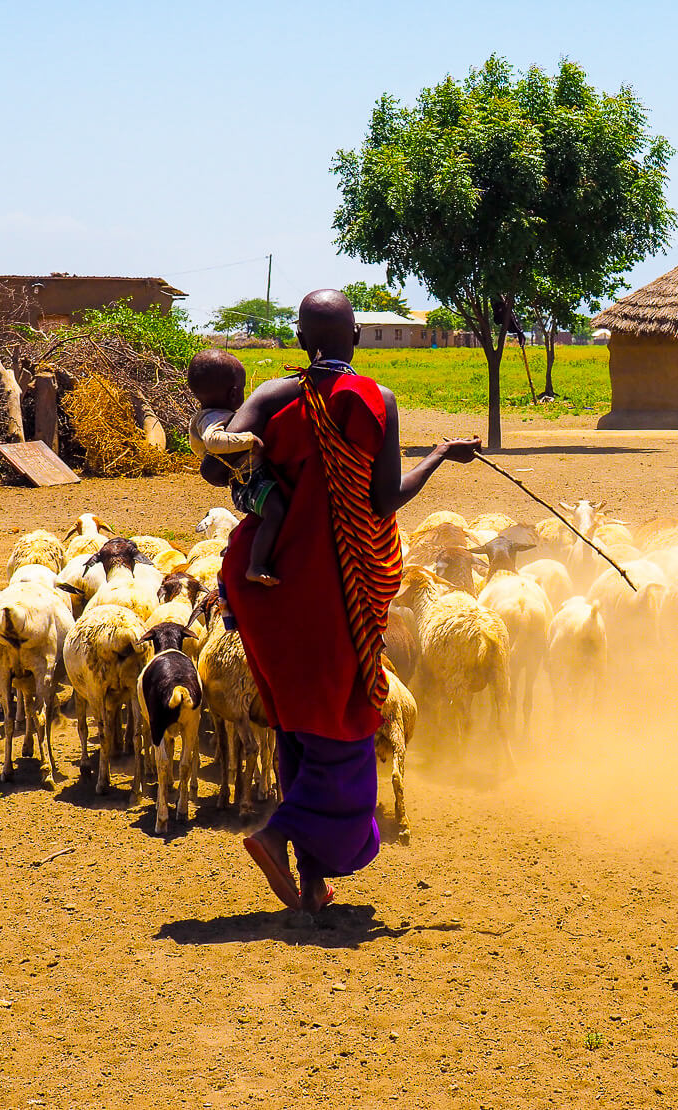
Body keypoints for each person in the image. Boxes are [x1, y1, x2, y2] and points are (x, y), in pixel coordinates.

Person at [200, 288, 481, 914]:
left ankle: (311, 878)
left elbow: (220, 463)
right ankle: (277, 835)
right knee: (347, 733)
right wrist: (438, 456)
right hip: (335, 588)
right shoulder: (376, 401)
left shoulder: (274, 395)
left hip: (268, 590)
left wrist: (225, 437)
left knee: (298, 724)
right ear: (355, 336)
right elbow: (382, 502)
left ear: (303, 340)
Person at [186, 348, 286, 586]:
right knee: (276, 510)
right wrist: (247, 439)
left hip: (251, 477)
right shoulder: (213, 418)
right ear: (233, 393)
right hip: (249, 485)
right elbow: (213, 441)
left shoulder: (211, 413)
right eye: (242, 388)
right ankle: (256, 564)